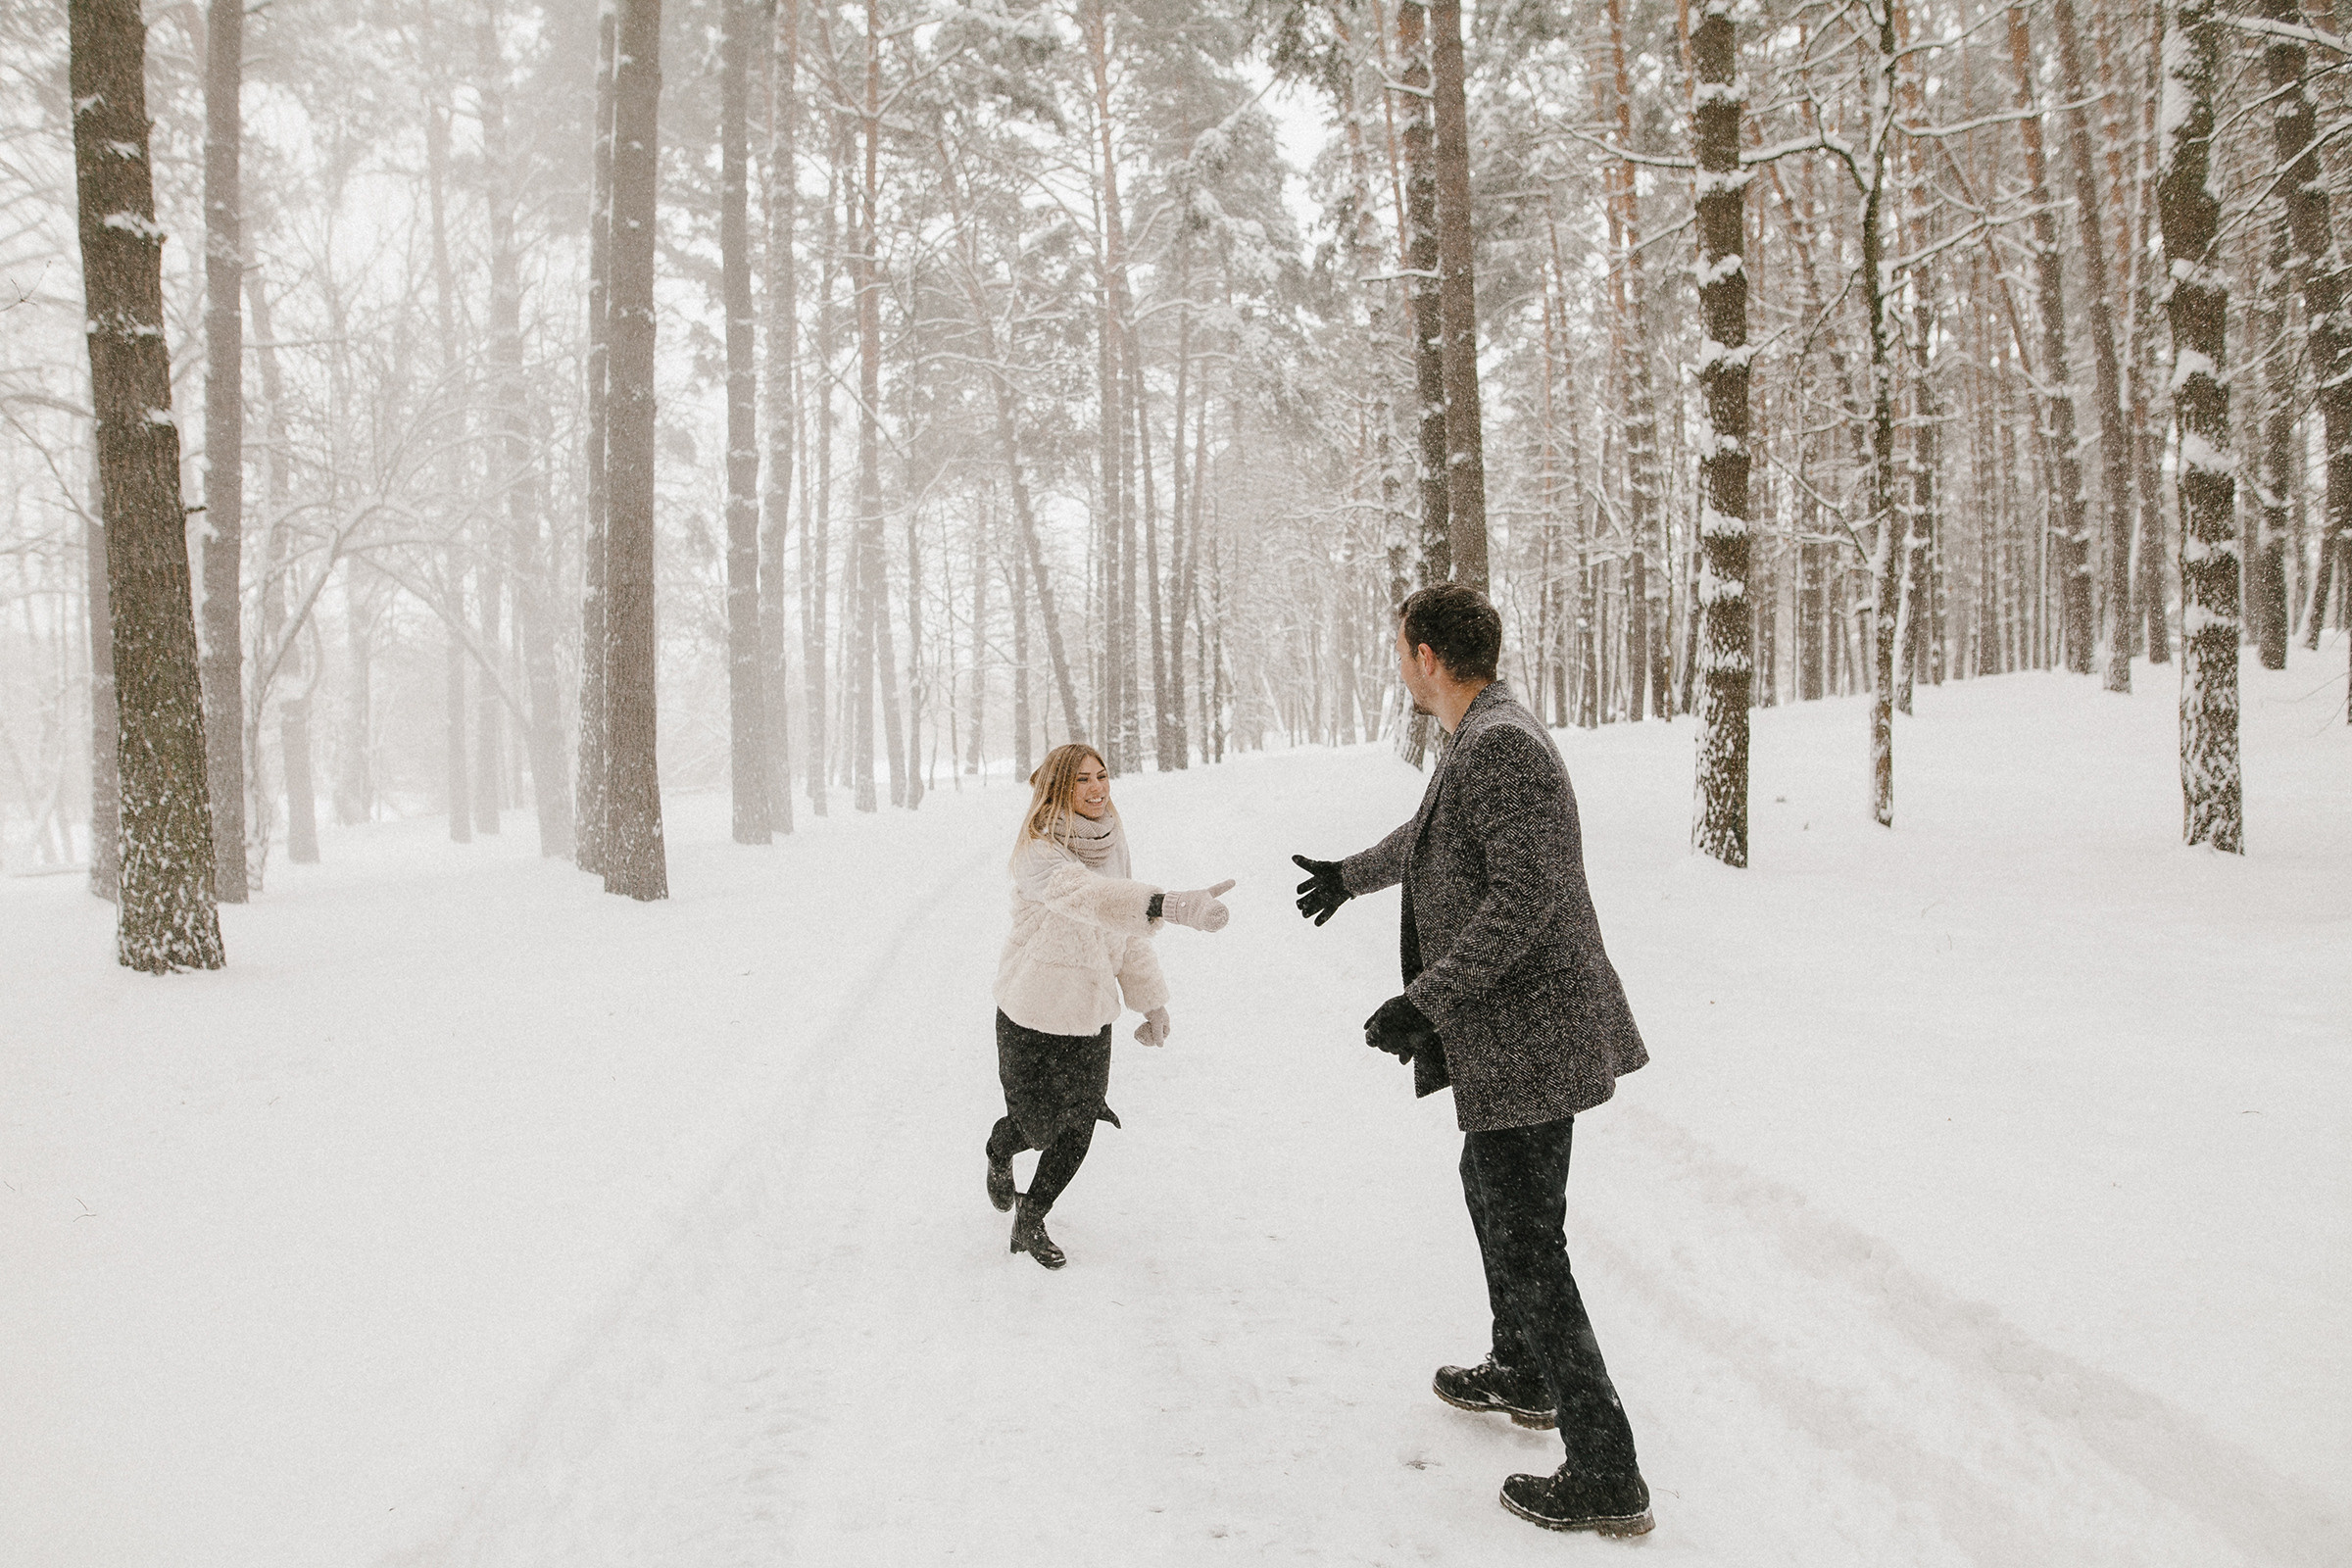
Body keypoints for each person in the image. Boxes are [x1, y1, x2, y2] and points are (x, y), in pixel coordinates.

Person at [1292, 583, 1654, 1538]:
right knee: (1494, 1191)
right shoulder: (1483, 733)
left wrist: (1426, 1000)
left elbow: (1524, 896)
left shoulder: (1503, 745)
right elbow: (1434, 838)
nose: (1396, 661)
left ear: (1427, 658)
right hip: (1521, 1036)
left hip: (1532, 1036)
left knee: (1531, 1239)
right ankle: (1524, 1367)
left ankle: (1608, 1470)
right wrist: (1350, 875)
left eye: (1399, 647)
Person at [990, 743, 1235, 1269]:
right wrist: (1169, 905)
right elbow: (1091, 898)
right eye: (1082, 780)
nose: (1098, 788)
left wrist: (1152, 1004)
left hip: (1090, 1017)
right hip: (1030, 1013)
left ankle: (1032, 1217)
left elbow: (1123, 932)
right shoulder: (1039, 850)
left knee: (1079, 1123)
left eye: (1102, 776)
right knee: (1035, 1127)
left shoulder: (1112, 842)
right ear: (1058, 788)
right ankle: (1000, 1148)